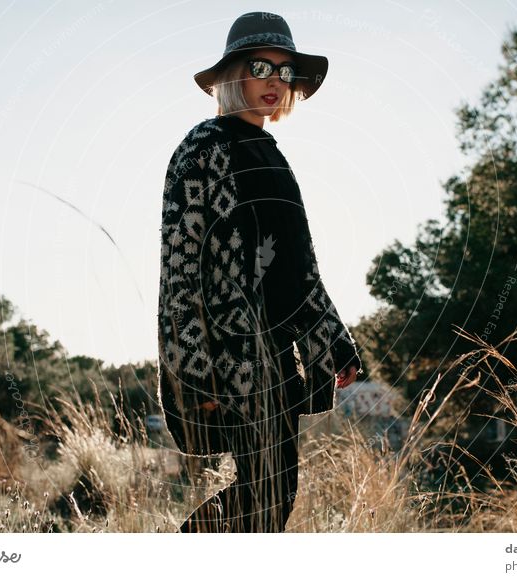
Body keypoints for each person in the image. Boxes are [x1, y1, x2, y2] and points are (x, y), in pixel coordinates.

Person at [156, 11, 362, 533]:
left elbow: (301, 265)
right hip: (229, 356)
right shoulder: (201, 150)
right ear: (232, 74)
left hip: (277, 353)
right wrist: (193, 371)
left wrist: (335, 341)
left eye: (285, 71)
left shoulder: (275, 159)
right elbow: (179, 270)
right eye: (261, 67)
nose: (275, 82)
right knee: (263, 496)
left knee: (275, 491)